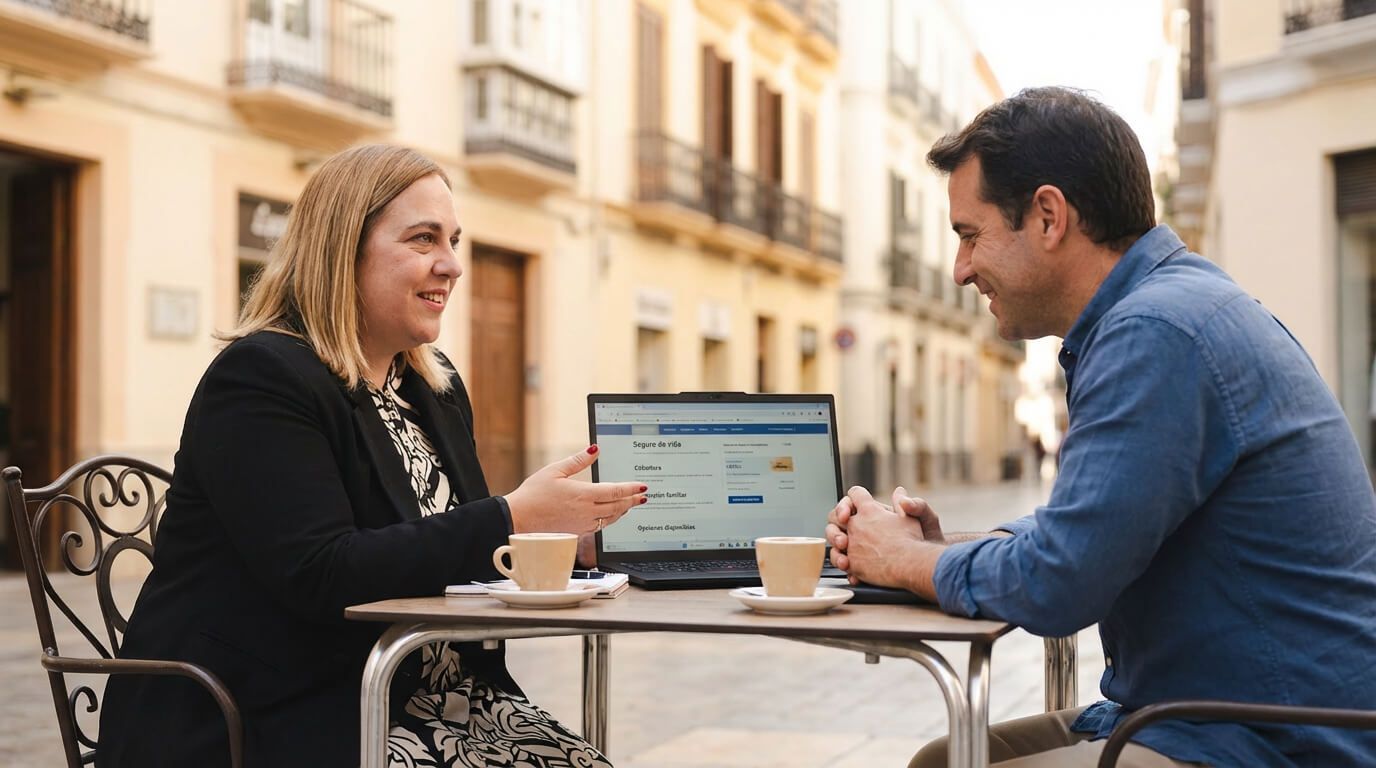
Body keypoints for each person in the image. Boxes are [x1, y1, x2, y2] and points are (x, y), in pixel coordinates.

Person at [826, 87, 1376, 767]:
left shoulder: (1155, 333)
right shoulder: (1169, 307)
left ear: (1049, 216)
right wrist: (953, 545)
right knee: (940, 760)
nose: (962, 269)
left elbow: (1061, 583)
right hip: (1214, 711)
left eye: (970, 235)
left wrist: (906, 561)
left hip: (1266, 737)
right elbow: (1097, 526)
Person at [97, 144, 647, 767]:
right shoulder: (261, 377)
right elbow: (323, 573)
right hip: (276, 713)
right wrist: (512, 516)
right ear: (342, 251)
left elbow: (446, 550)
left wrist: (558, 543)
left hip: (432, 699)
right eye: (423, 240)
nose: (452, 266)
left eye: (454, 241)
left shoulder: (432, 389)